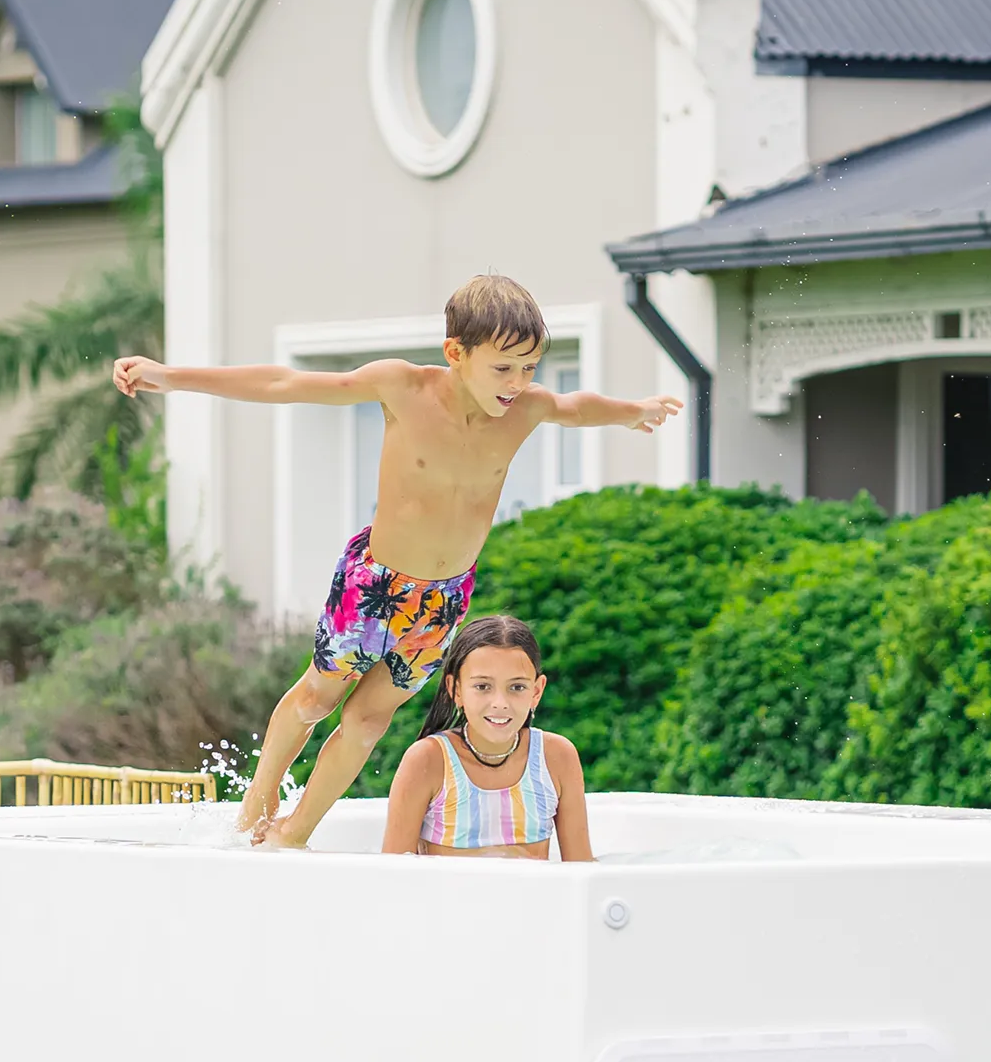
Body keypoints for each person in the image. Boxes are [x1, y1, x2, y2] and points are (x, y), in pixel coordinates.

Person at [112, 275, 676, 846]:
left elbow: (576, 408)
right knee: (317, 698)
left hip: (443, 602)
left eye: (529, 368)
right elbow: (286, 382)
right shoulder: (401, 387)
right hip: (374, 588)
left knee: (369, 720)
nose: (518, 383)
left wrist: (633, 411)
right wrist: (171, 376)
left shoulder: (525, 409)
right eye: (503, 368)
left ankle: (292, 832)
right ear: (457, 353)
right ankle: (255, 810)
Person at [381, 615, 590, 861]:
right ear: (456, 689)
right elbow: (393, 874)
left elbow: (581, 867)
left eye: (517, 687)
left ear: (536, 691)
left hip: (533, 900)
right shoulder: (428, 760)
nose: (500, 703)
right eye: (482, 687)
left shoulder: (556, 757)